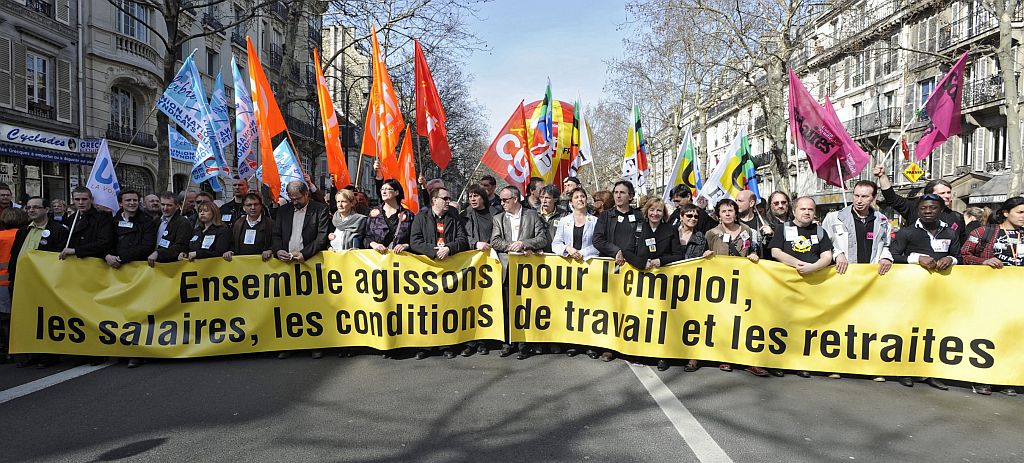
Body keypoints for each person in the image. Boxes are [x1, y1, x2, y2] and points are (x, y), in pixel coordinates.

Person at [890, 193, 961, 391]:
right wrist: (917, 258)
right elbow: (893, 255)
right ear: (918, 210)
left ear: (941, 210)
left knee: (936, 333)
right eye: (923, 208)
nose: (928, 211)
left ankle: (932, 373)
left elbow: (959, 256)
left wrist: (951, 259)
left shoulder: (951, 233)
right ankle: (905, 371)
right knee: (909, 331)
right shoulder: (907, 232)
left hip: (940, 292)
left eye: (933, 208)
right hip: (911, 292)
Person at [961, 196, 1024, 396]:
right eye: (1020, 212)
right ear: (1006, 212)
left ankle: (1006, 378)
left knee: (1011, 336)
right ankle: (982, 377)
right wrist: (983, 262)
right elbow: (964, 255)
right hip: (988, 293)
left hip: (1016, 295)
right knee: (986, 335)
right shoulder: (985, 232)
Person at [271, 180, 331, 359]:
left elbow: (321, 238)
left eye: (297, 198)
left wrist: (305, 254)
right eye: (291, 198)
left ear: (306, 194)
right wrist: (277, 250)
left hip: (310, 264)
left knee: (312, 307)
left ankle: (315, 344)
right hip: (287, 265)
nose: (294, 202)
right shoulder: (283, 211)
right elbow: (276, 235)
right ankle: (289, 344)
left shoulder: (320, 209)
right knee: (288, 307)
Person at [704, 198, 763, 375]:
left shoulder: (747, 230)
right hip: (720, 283)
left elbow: (753, 249)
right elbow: (701, 254)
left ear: (736, 213)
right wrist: (705, 254)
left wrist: (753, 255)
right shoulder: (711, 233)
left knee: (743, 320)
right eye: (724, 211)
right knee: (723, 319)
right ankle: (725, 358)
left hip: (743, 281)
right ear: (718, 215)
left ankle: (747, 359)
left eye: (731, 210)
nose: (728, 214)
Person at [410, 187, 470, 359]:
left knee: (447, 307)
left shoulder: (453, 216)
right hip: (428, 270)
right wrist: (432, 251)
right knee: (427, 309)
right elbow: (415, 241)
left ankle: (447, 344)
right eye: (445, 198)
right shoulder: (421, 217)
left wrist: (449, 248)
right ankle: (426, 346)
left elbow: (462, 240)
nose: (448, 201)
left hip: (449, 269)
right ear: (434, 200)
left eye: (449, 198)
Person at [491, 185, 549, 359]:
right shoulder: (498, 218)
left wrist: (524, 243)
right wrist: (511, 246)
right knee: (507, 306)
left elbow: (542, 239)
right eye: (501, 200)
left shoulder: (532, 215)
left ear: (515, 199)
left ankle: (524, 344)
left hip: (527, 269)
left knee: (525, 306)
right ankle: (508, 342)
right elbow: (494, 240)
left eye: (505, 200)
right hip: (507, 268)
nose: (502, 203)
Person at [8, 199, 67, 368]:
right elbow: (14, 256)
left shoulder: (58, 231)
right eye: (29, 207)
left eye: (36, 207)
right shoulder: (23, 231)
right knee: (27, 319)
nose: (31, 210)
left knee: (46, 319)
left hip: (44, 283)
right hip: (21, 283)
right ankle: (31, 354)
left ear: (46, 209)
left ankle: (49, 355)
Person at [592, 180, 645, 362]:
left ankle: (630, 347)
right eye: (616, 192)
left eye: (623, 192)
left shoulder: (639, 216)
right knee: (610, 308)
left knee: (631, 308)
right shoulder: (606, 216)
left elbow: (644, 239)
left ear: (630, 196)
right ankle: (609, 347)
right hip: (611, 269)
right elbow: (597, 240)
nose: (618, 195)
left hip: (632, 269)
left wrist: (631, 255)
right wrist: (616, 251)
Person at [873, 166, 967, 244]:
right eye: (942, 193)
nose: (947, 196)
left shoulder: (957, 217)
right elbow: (891, 198)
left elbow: (961, 244)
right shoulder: (914, 208)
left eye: (948, 192)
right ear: (929, 195)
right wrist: (882, 177)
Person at [821, 181, 894, 276]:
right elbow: (823, 245)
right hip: (842, 275)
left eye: (864, 197)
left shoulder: (883, 221)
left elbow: (885, 245)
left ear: (873, 198)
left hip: (870, 277)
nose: (859, 200)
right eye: (856, 195)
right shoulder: (833, 218)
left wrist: (886, 258)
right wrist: (838, 254)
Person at [0, 208, 28, 365]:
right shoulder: (25, 234)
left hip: (2, 283)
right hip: (21, 280)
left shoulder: (1, 236)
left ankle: (5, 352)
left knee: (4, 318)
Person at [104, 190, 157, 270]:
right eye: (128, 200)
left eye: (135, 200)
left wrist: (121, 257)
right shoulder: (112, 221)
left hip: (138, 270)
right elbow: (106, 242)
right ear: (120, 203)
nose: (132, 203)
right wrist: (107, 256)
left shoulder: (148, 222)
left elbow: (147, 246)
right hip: (114, 268)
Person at [60, 186, 115, 262]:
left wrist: (76, 250)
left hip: (94, 262)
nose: (81, 202)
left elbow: (104, 243)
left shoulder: (102, 218)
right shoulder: (71, 218)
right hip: (74, 263)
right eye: (77, 199)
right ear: (73, 200)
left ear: (91, 200)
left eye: (84, 199)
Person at [366, 179, 413, 254]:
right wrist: (374, 245)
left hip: (400, 258)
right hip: (376, 258)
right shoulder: (374, 213)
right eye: (382, 189)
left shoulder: (408, 215)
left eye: (388, 189)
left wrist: (405, 245)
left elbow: (415, 238)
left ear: (396, 192)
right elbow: (366, 236)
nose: (384, 192)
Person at [551, 187, 599, 261]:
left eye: (582, 196)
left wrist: (581, 253)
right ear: (571, 203)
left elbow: (599, 244)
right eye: (576, 197)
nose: (580, 199)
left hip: (589, 264)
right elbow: (555, 244)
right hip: (568, 264)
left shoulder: (595, 221)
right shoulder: (564, 221)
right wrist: (567, 248)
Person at [223, 192, 274, 262]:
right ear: (244, 208)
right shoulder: (238, 223)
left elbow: (276, 242)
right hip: (243, 266)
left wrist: (270, 250)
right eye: (249, 205)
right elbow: (233, 243)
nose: (253, 208)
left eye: (256, 204)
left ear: (261, 206)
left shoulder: (271, 224)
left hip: (263, 266)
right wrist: (231, 251)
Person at [148, 192, 193, 266]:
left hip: (171, 266)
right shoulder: (157, 221)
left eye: (169, 205)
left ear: (177, 206)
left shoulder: (183, 223)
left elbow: (181, 246)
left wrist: (158, 253)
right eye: (163, 204)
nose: (165, 208)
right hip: (154, 264)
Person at [736, 190, 771, 256]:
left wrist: (770, 236)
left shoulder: (764, 223)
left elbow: (769, 251)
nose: (736, 203)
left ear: (751, 203)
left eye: (740, 201)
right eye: (736, 200)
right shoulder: (732, 222)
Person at [462, 184, 494, 253]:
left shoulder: (495, 215)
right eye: (470, 196)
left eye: (476, 196)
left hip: (492, 255)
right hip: (471, 257)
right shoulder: (464, 216)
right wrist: (475, 244)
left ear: (483, 197)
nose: (473, 199)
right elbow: (460, 237)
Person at [537, 184, 567, 251]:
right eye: (542, 197)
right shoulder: (534, 214)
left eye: (547, 198)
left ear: (555, 199)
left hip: (556, 255)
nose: (544, 201)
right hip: (537, 255)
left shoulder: (564, 215)